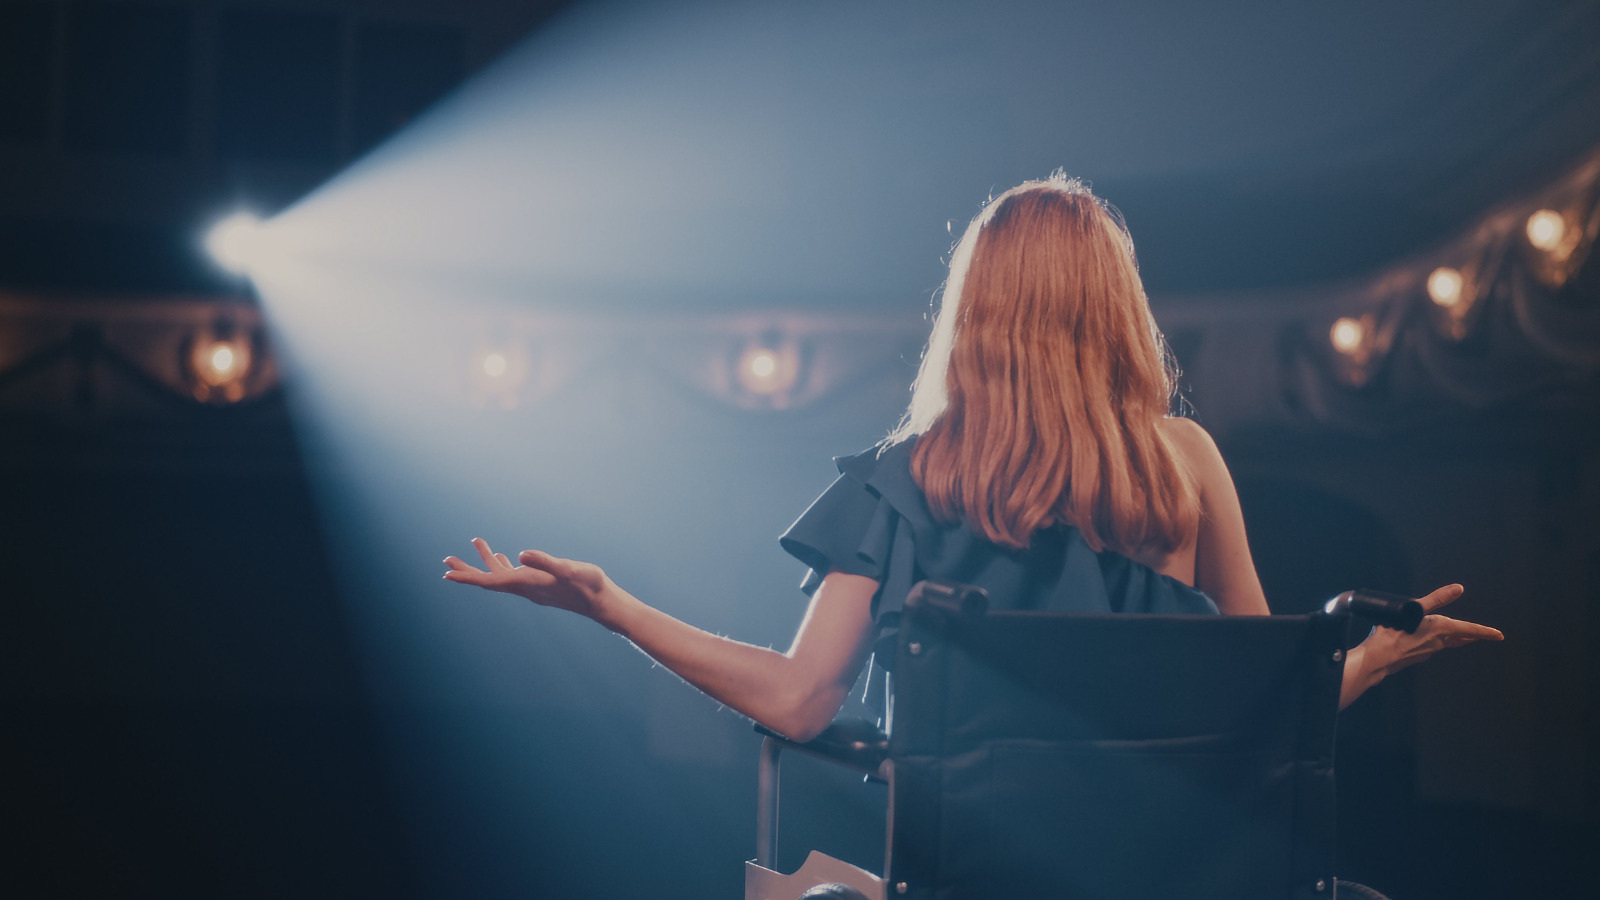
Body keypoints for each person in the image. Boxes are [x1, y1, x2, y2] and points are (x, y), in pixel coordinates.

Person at [443, 175, 1503, 743]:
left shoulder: (900, 481)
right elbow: (1257, 703)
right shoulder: (1186, 463)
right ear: (1114, 310)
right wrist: (1369, 660)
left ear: (974, 314)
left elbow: (802, 701)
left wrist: (616, 607)